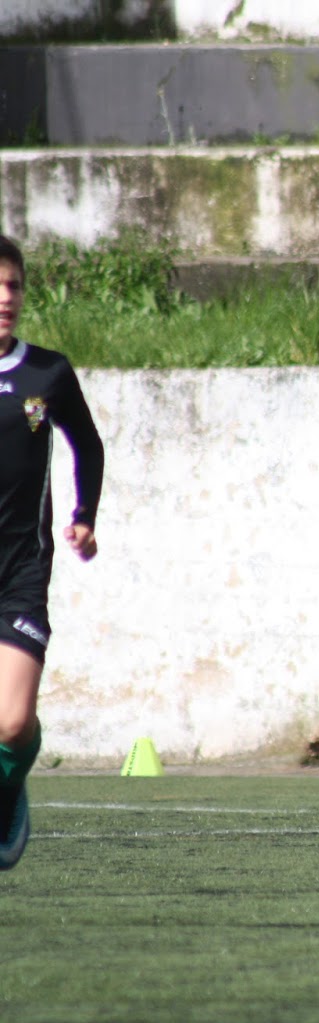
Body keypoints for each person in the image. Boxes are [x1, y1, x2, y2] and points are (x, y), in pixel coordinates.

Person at [0, 234, 104, 870]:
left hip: (20, 572)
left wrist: (84, 517)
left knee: (12, 724)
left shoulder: (47, 373)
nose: (4, 298)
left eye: (13, 285)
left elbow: (87, 443)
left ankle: (8, 794)